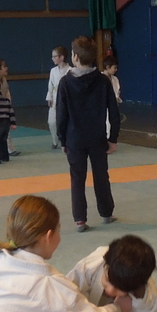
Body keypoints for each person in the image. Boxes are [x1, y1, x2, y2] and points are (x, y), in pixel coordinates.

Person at [57, 35, 120, 232]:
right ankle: (106, 213)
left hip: (74, 137)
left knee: (77, 178)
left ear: (74, 56)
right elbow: (114, 112)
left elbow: (61, 115)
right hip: (97, 137)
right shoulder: (103, 81)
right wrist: (113, 138)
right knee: (101, 175)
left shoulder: (65, 83)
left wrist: (62, 139)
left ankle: (80, 220)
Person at [46, 45, 71, 149]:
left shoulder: (70, 70)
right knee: (51, 121)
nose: (52, 58)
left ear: (62, 57)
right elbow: (50, 85)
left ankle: (66, 140)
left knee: (66, 121)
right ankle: (55, 140)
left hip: (67, 98)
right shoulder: (53, 71)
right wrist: (49, 97)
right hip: (55, 97)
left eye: (54, 56)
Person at [103, 54, 123, 137]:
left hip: (113, 107)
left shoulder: (115, 79)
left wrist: (117, 98)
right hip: (103, 108)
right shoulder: (99, 79)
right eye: (114, 68)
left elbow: (117, 92)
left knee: (113, 127)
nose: (116, 70)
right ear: (108, 67)